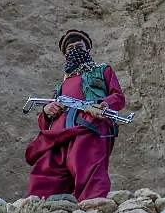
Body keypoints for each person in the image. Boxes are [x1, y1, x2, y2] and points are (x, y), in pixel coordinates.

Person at [25, 29, 126, 200]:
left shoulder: (102, 70)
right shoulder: (60, 86)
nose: (74, 50)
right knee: (47, 169)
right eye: (70, 49)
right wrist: (47, 111)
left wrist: (103, 104)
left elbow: (118, 97)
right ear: (65, 57)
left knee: (87, 165)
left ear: (88, 51)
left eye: (79, 46)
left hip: (90, 123)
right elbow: (45, 122)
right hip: (59, 132)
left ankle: (91, 208)